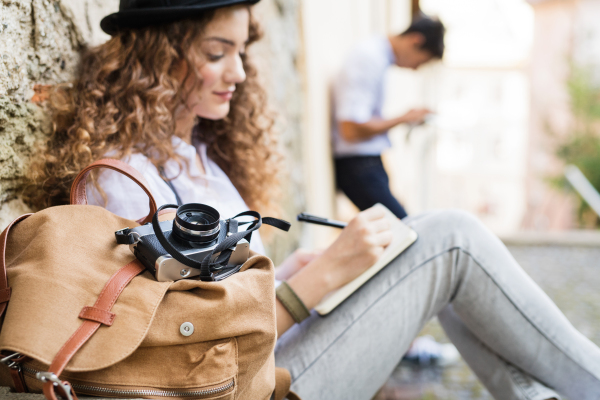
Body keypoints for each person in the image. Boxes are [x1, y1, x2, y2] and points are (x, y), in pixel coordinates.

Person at [25, 1, 600, 399]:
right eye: (217, 52)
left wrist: (289, 275)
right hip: (251, 386)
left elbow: (218, 295)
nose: (240, 72)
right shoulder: (125, 180)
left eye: (242, 51)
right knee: (449, 238)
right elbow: (178, 349)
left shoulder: (196, 154)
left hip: (272, 358)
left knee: (428, 247)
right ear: (158, 54)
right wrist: (316, 284)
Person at [332, 17, 445, 220]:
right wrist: (404, 118)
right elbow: (351, 128)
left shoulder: (378, 56)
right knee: (406, 231)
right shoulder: (369, 57)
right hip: (357, 164)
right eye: (421, 61)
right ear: (416, 41)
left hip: (366, 162)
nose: (415, 68)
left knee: (404, 229)